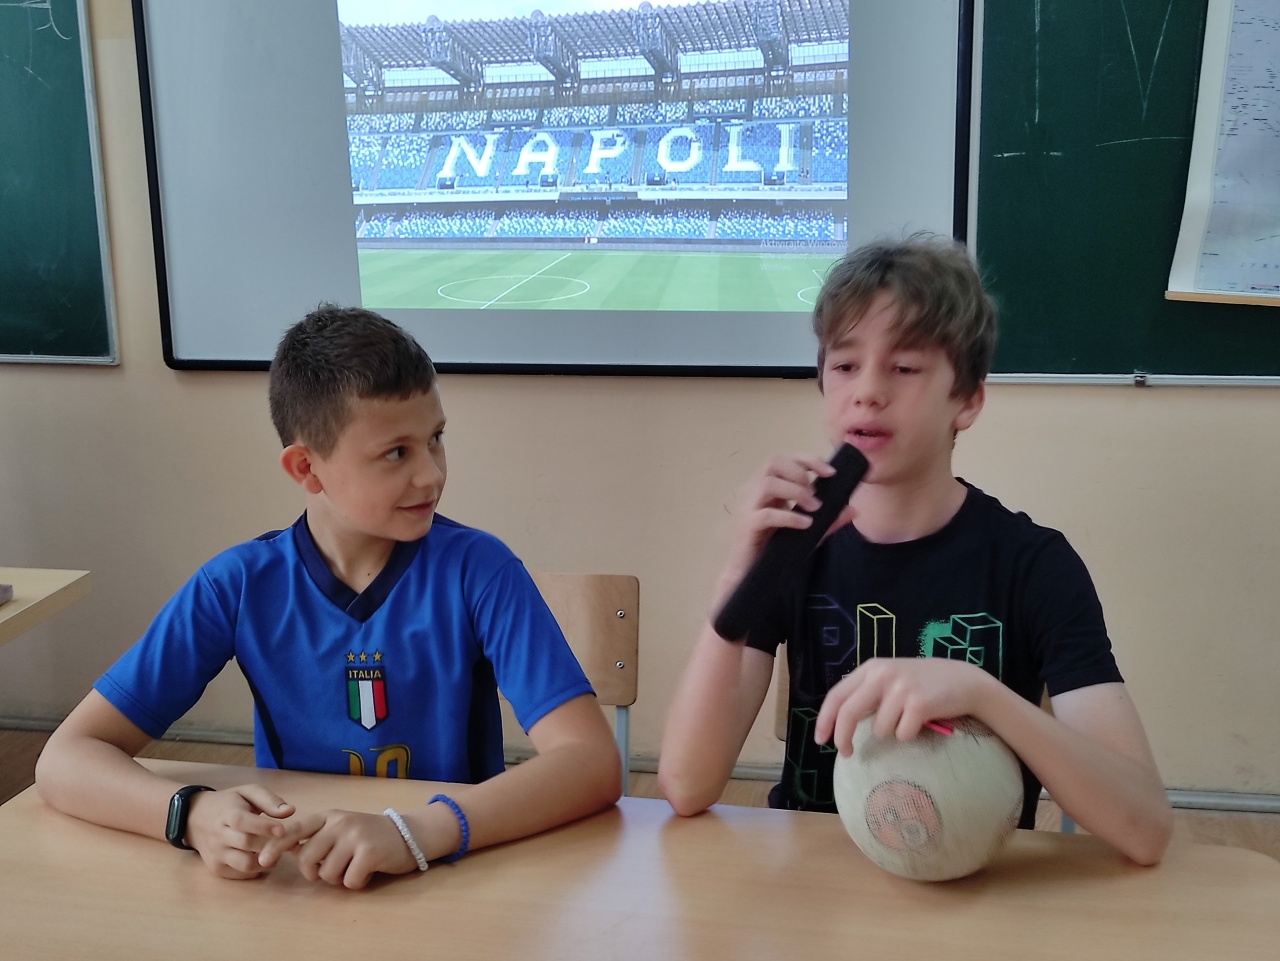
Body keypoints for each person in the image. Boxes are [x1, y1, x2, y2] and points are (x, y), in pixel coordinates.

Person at [36, 306, 621, 888]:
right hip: (301, 885)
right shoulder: (237, 584)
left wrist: (415, 832)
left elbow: (591, 763)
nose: (432, 475)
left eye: (436, 439)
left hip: (449, 878)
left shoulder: (480, 570)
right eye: (396, 452)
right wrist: (191, 814)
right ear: (306, 468)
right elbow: (65, 759)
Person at [658, 235, 1172, 865]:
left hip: (971, 879)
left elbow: (1145, 828)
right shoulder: (796, 553)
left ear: (968, 400)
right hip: (815, 880)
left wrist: (981, 694)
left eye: (904, 368)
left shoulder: (1034, 564)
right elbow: (686, 785)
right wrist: (741, 578)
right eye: (845, 366)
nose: (867, 391)